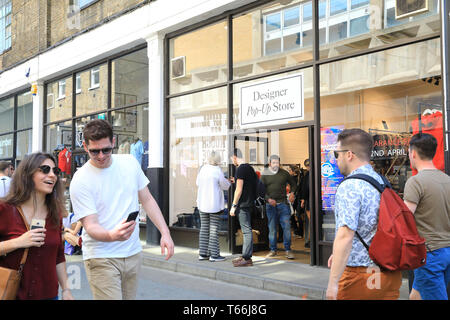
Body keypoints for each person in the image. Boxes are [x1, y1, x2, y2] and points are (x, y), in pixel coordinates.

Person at [69, 119, 174, 300]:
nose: (101, 156)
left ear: (113, 142)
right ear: (85, 147)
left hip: (132, 253)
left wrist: (165, 232)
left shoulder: (129, 163)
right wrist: (111, 236)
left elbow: (147, 199)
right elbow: (90, 225)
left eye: (106, 150)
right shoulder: (80, 179)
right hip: (101, 256)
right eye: (94, 151)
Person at [326, 128, 402, 300]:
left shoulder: (350, 186)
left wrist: (333, 283)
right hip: (389, 273)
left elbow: (345, 236)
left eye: (337, 154)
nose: (336, 159)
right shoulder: (382, 181)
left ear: (349, 155)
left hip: (359, 276)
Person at [0, 152, 74, 300]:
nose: (52, 175)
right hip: (11, 294)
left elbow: (59, 255)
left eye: (55, 171)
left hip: (49, 295)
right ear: (27, 174)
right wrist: (18, 242)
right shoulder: (5, 209)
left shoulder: (56, 214)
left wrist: (66, 290)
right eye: (45, 170)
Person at [403, 133, 450, 300]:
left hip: (429, 253)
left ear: (413, 153)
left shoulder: (415, 182)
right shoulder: (447, 179)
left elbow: (405, 219)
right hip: (447, 250)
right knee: (416, 295)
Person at [196, 151, 231, 262]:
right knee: (213, 229)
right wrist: (229, 182)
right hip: (213, 204)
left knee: (204, 228)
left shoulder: (203, 169)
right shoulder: (217, 171)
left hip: (202, 203)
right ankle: (214, 255)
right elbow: (225, 186)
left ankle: (203, 253)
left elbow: (197, 183)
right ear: (218, 160)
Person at [261, 155, 297, 259]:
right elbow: (260, 190)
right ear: (270, 164)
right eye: (274, 163)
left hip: (283, 204)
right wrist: (268, 199)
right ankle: (273, 250)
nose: (276, 164)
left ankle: (288, 250)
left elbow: (293, 184)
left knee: (286, 227)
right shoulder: (264, 174)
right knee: (272, 229)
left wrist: (292, 193)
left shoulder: (284, 174)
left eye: (277, 163)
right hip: (270, 206)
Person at [229, 148, 256, 267]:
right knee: (247, 230)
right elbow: (248, 184)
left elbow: (239, 189)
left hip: (243, 204)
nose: (232, 161)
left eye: (231, 159)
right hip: (249, 203)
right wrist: (235, 180)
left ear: (235, 157)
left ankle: (247, 258)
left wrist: (233, 206)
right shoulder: (249, 168)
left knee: (246, 231)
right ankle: (245, 255)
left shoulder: (240, 168)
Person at [299, 159, 311, 248]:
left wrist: (303, 199)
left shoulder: (307, 175)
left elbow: (305, 188)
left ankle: (309, 240)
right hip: (320, 202)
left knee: (310, 222)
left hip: (309, 201)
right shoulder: (320, 173)